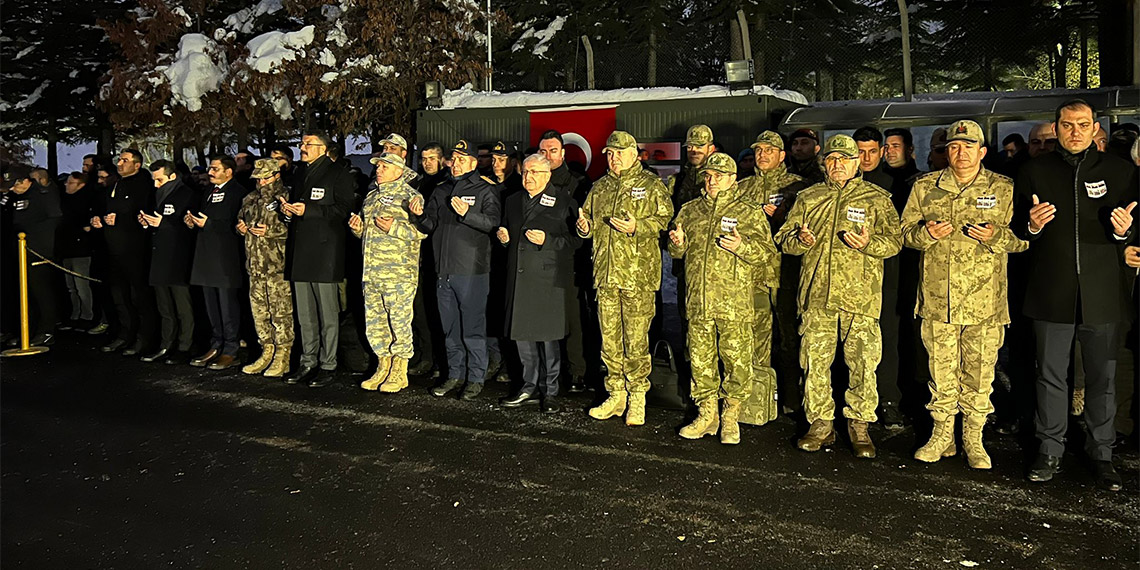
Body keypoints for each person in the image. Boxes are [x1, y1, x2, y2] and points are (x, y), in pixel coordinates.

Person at [1014, 99, 1139, 491]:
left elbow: (1134, 230)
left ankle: (1101, 453)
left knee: (1103, 377)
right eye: (1067, 125)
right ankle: (1049, 449)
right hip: (1051, 290)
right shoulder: (1033, 170)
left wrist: (1123, 232)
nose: (1075, 132)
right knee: (1050, 375)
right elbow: (1017, 229)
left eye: (1083, 125)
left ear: (1095, 129)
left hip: (1103, 292)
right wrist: (1032, 226)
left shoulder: (1120, 171)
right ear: (1056, 128)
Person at [901, 120, 1029, 469]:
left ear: (982, 151)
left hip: (984, 302)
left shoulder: (1004, 188)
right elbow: (904, 233)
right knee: (941, 374)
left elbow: (1022, 240)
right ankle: (942, 435)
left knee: (980, 375)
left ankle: (974, 439)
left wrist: (995, 236)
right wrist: (926, 234)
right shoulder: (925, 186)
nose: (960, 153)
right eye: (954, 147)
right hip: (938, 301)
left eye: (968, 146)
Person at [774, 134, 903, 458]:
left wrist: (869, 244)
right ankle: (820, 424)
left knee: (862, 364)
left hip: (861, 298)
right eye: (832, 159)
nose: (838, 165)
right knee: (815, 363)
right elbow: (784, 239)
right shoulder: (809, 197)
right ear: (824, 163)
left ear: (857, 163)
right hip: (817, 296)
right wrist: (800, 240)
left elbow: (895, 242)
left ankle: (859, 425)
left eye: (845, 159)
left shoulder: (877, 199)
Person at [669, 153, 778, 443]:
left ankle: (731, 417)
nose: (712, 180)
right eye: (708, 175)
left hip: (734, 303)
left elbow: (767, 253)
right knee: (700, 360)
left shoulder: (748, 212)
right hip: (699, 301)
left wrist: (742, 247)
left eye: (719, 176)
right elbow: (677, 252)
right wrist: (676, 244)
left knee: (736, 362)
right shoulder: (690, 210)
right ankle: (707, 415)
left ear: (733, 179)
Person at [577, 131, 673, 426]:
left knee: (636, 340)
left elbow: (666, 221)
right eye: (609, 153)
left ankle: (637, 397)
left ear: (634, 154)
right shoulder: (600, 187)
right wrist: (584, 227)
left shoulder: (651, 185)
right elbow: (589, 222)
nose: (613, 158)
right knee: (609, 340)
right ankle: (616, 394)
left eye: (619, 153)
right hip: (606, 276)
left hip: (637, 278)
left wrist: (637, 227)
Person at [496, 154, 581, 413]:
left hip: (548, 280)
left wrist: (548, 241)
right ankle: (528, 386)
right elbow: (509, 231)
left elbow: (576, 241)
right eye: (525, 172)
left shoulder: (563, 201)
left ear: (547, 175)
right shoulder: (512, 200)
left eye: (534, 172)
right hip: (519, 278)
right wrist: (504, 238)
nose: (528, 177)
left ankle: (550, 391)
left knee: (548, 338)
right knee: (523, 336)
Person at [419, 140, 502, 400]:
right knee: (449, 328)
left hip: (471, 271)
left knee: (473, 328)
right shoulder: (441, 189)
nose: (455, 164)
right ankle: (454, 373)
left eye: (462, 159)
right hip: (443, 270)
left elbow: (493, 223)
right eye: (453, 159)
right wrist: (419, 215)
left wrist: (467, 213)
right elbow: (430, 224)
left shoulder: (485, 189)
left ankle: (475, 377)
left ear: (474, 163)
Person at [738, 131, 808, 419]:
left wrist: (781, 217)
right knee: (755, 336)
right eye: (759, 150)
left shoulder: (799, 186)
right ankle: (759, 401)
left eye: (769, 150)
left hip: (787, 273)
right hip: (753, 274)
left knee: (791, 338)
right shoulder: (742, 188)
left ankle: (792, 399)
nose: (763, 155)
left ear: (782, 155)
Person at [280, 131, 356, 388]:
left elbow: (344, 209)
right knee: (305, 314)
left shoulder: (338, 173)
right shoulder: (300, 173)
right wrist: (289, 212)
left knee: (327, 314)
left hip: (325, 252)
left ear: (323, 148)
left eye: (308, 144)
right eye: (302, 143)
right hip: (301, 252)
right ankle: (307, 360)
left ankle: (328, 364)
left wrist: (309, 210)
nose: (303, 147)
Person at [349, 153, 426, 393]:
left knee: (399, 323)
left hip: (398, 274)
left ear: (399, 171)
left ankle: (399, 371)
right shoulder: (371, 196)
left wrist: (394, 227)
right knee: (375, 324)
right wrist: (358, 230)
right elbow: (368, 234)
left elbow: (422, 231)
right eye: (378, 166)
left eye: (385, 166)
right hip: (371, 272)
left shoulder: (411, 197)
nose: (379, 170)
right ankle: (383, 366)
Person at [539, 130, 594, 393]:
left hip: (569, 259)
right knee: (545, 318)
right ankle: (549, 370)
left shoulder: (578, 182)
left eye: (552, 151)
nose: (547, 156)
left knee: (573, 321)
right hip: (540, 259)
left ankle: (577, 372)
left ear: (562, 153)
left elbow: (584, 223)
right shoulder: (532, 179)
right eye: (543, 151)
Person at [91, 149, 157, 356]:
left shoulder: (144, 186)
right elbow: (106, 209)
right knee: (119, 295)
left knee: (138, 297)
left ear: (137, 165)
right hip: (114, 250)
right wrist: (99, 220)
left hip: (135, 250)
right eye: (119, 160)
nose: (120, 163)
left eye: (125, 160)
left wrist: (121, 220)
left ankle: (144, 338)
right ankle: (124, 333)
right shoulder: (115, 184)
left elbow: (144, 214)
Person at [186, 156, 247, 370]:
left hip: (226, 257)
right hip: (206, 255)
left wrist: (210, 224)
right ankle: (216, 343)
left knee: (227, 305)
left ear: (228, 172)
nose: (210, 172)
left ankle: (231, 348)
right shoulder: (209, 191)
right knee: (211, 304)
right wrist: (192, 222)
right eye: (210, 168)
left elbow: (238, 224)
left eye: (215, 169)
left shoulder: (238, 193)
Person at [236, 159, 294, 378]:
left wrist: (270, 231)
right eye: (258, 178)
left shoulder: (286, 196)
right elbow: (240, 220)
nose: (261, 182)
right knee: (260, 313)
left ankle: (283, 355)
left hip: (277, 266)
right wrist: (241, 228)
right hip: (254, 265)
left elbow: (295, 228)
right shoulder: (250, 198)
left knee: (280, 313)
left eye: (266, 177)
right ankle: (266, 351)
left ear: (277, 175)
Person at [138, 160, 197, 364]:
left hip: (178, 258)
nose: (156, 185)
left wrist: (164, 224)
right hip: (158, 258)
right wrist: (146, 223)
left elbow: (190, 227)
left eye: (160, 180)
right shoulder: (155, 194)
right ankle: (166, 344)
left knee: (182, 307)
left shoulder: (187, 194)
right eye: (154, 180)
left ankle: (185, 346)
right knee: (164, 307)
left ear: (172, 176)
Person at [2, 166, 62, 346]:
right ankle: (26, 331)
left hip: (38, 251)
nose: (13, 189)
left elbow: (54, 220)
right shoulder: (16, 196)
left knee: (41, 292)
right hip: (20, 251)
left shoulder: (43, 194)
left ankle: (46, 331)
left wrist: (39, 245)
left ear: (25, 180)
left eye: (15, 185)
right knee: (24, 293)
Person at [408, 142, 450, 378]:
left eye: (432, 158)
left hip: (439, 253)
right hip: (419, 253)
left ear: (442, 160)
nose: (427, 163)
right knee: (421, 310)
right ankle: (426, 355)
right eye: (424, 159)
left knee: (438, 311)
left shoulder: (447, 184)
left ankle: (440, 360)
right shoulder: (417, 183)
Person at [56, 172, 96, 330]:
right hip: (67, 248)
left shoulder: (85, 201)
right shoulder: (64, 200)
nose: (67, 185)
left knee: (81, 285)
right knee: (71, 286)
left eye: (71, 183)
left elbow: (84, 225)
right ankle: (75, 314)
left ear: (81, 185)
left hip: (81, 250)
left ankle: (87, 315)